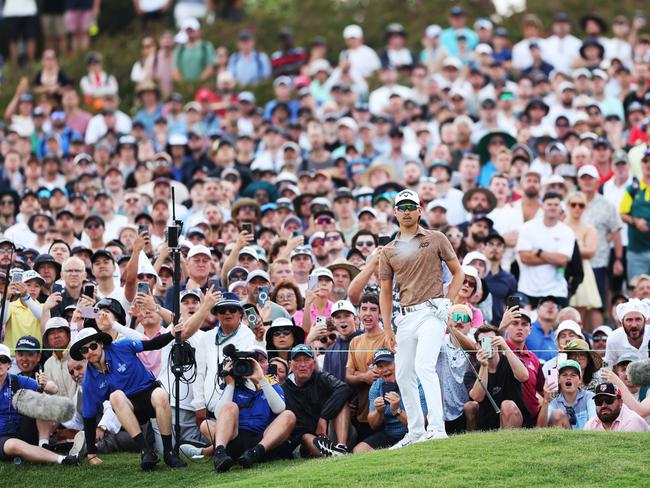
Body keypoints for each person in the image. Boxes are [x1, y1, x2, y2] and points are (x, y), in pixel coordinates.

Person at [379, 189, 464, 446]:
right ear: (395, 212)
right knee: (404, 374)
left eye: (410, 207)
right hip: (404, 317)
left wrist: (447, 302)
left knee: (424, 366)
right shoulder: (389, 250)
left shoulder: (436, 238)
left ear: (419, 209)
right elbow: (385, 290)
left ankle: (437, 429)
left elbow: (458, 273)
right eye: (401, 207)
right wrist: (387, 329)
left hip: (431, 312)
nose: (406, 211)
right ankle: (415, 432)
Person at [70, 326, 187, 469]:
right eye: (84, 350)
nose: (90, 352)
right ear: (82, 354)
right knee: (115, 396)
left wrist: (172, 334)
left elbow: (152, 345)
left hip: (149, 393)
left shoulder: (122, 346)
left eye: (93, 346)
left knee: (161, 394)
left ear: (101, 344)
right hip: (129, 407)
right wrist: (91, 454)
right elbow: (88, 417)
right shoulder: (89, 380)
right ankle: (146, 451)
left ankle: (169, 453)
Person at [199, 354, 295, 472]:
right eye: (251, 362)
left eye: (261, 361)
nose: (256, 364)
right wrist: (230, 385)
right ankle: (220, 454)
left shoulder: (272, 385)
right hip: (235, 438)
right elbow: (219, 414)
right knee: (207, 423)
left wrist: (261, 380)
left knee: (289, 415)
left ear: (267, 366)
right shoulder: (235, 385)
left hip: (261, 440)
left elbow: (279, 409)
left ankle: (255, 453)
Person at [0, 343, 80, 466]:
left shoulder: (16, 380)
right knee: (12, 445)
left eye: (3, 360)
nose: (0, 363)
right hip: (3, 439)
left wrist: (44, 385)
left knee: (37, 400)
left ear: (9, 364)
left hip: (22, 430)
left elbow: (53, 389)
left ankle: (44, 444)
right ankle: (62, 459)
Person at [282, 344, 352, 457]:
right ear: (290, 364)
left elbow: (343, 388)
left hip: (329, 433)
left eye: (306, 360)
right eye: (298, 360)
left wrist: (324, 417)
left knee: (342, 403)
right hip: (304, 442)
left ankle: (341, 447)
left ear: (314, 363)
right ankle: (333, 455)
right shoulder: (284, 389)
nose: (302, 365)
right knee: (306, 437)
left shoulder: (322, 378)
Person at [354, 349, 427, 452]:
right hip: (390, 433)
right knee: (359, 450)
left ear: (398, 363)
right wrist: (379, 412)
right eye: (380, 366)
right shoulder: (376, 386)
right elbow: (373, 425)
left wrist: (397, 411)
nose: (384, 369)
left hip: (415, 432)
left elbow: (422, 422)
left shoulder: (415, 381)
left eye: (388, 364)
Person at [464, 325, 530, 431]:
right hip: (486, 422)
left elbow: (524, 377)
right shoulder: (472, 371)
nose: (489, 345)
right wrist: (484, 366)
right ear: (477, 346)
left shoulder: (510, 361)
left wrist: (505, 347)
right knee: (469, 405)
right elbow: (477, 397)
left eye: (492, 341)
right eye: (484, 342)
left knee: (507, 405)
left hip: (514, 417)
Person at [517, 192, 575, 307]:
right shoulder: (527, 227)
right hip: (527, 290)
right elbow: (525, 258)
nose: (552, 207)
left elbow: (563, 260)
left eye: (556, 204)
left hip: (556, 291)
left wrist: (539, 252)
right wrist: (553, 258)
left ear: (561, 208)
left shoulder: (567, 232)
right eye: (549, 204)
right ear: (542, 206)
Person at [345, 293, 387, 439]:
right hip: (361, 412)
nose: (368, 314)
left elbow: (383, 373)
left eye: (373, 309)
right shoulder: (355, 342)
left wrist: (358, 374)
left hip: (385, 411)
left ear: (381, 313)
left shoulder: (388, 338)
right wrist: (363, 376)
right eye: (364, 308)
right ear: (358, 312)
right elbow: (348, 376)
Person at [537, 360, 595, 430]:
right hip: (565, 440)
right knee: (557, 414)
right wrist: (546, 400)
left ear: (580, 380)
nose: (568, 378)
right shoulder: (554, 403)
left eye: (573, 375)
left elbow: (594, 424)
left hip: (588, 439)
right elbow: (540, 429)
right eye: (564, 375)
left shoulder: (589, 397)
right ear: (558, 380)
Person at [584, 383, 650, 432]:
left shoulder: (632, 421)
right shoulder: (591, 424)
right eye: (599, 401)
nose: (604, 405)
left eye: (609, 400)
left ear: (620, 402)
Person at [605, 298, 650, 367]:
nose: (634, 325)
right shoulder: (613, 338)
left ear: (645, 321)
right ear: (622, 323)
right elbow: (608, 367)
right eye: (629, 320)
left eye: (638, 319)